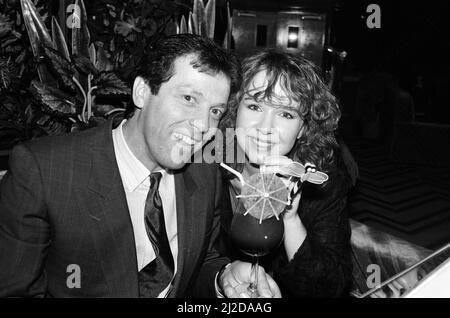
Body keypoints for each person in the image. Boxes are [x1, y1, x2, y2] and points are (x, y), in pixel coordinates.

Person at [0, 34, 281, 298]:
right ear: (141, 92)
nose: (204, 126)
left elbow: (199, 261)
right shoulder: (43, 171)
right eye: (188, 99)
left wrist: (224, 277)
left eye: (215, 111)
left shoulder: (205, 172)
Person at [218, 49, 353, 297]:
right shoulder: (210, 167)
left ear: (302, 128)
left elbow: (330, 288)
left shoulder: (323, 181)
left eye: (285, 114)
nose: (265, 128)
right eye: (255, 106)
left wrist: (290, 218)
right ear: (235, 108)